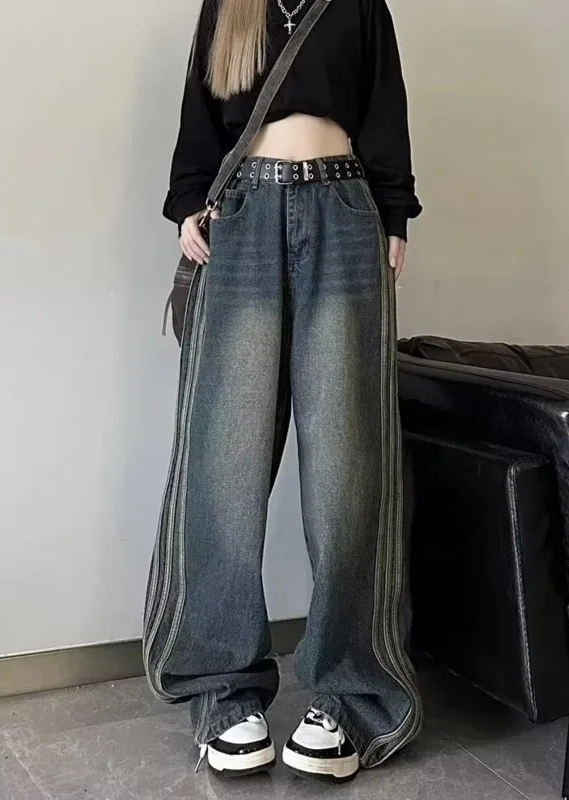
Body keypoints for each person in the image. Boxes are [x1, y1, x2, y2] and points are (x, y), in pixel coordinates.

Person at [144, 0, 423, 783]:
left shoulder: (359, 4)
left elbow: (385, 105)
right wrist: (188, 201)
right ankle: (222, 687)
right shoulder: (228, 4)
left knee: (348, 463)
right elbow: (200, 111)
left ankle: (354, 693)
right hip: (241, 215)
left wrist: (395, 212)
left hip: (345, 211)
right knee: (224, 462)